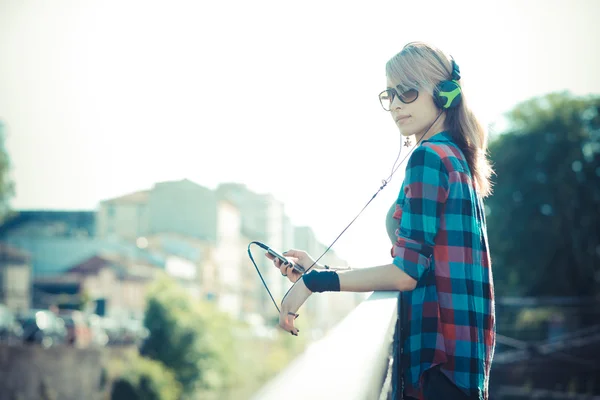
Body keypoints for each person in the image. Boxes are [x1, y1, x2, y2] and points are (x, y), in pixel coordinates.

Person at [265, 41, 495, 400]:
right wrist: (327, 270)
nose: (398, 104)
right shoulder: (454, 155)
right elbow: (420, 265)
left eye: (408, 90)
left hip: (438, 364)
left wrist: (314, 282)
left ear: (444, 94)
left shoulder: (430, 158)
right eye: (391, 94)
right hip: (459, 366)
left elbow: (405, 274)